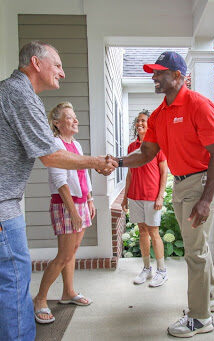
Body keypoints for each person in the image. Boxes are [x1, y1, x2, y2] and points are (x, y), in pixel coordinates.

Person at [102, 51, 214, 338]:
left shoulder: (198, 105)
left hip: (202, 183)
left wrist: (206, 199)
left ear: (178, 76)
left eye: (160, 72)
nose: (154, 77)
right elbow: (146, 153)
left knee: (194, 252)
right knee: (200, 247)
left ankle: (199, 318)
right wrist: (118, 161)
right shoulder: (158, 114)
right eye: (153, 72)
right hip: (182, 185)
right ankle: (212, 298)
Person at [0, 41, 116, 341]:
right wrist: (96, 162)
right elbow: (51, 158)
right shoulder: (19, 94)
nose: (63, 74)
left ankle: (67, 292)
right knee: (14, 281)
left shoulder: (14, 93)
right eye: (58, 66)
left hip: (9, 204)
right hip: (3, 207)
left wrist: (88, 196)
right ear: (36, 64)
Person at [33, 102, 95, 324]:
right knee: (63, 255)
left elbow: (83, 173)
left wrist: (89, 199)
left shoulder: (76, 145)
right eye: (70, 117)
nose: (75, 119)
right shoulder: (55, 145)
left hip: (80, 203)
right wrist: (73, 211)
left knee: (72, 252)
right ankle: (40, 299)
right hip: (65, 204)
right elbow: (60, 182)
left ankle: (68, 293)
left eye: (75, 115)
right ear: (57, 124)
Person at [122, 110, 168, 287]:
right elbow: (130, 174)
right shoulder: (131, 147)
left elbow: (164, 172)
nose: (140, 123)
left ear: (149, 125)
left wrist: (160, 196)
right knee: (142, 231)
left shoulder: (157, 145)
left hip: (151, 196)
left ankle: (162, 271)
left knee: (153, 232)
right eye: (138, 121)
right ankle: (147, 269)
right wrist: (125, 197)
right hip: (135, 196)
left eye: (143, 121)